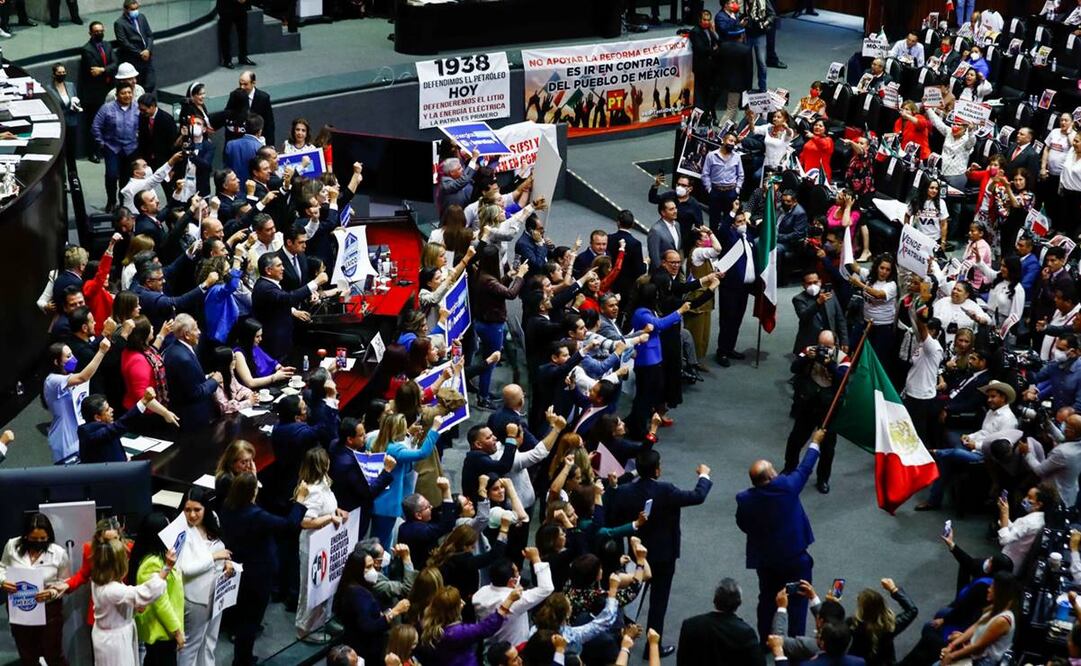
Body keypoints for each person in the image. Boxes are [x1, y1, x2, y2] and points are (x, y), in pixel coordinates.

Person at [609, 450, 713, 656]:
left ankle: (620, 638)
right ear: (657, 470)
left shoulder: (624, 492)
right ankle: (652, 647)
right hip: (664, 555)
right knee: (659, 602)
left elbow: (614, 519)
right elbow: (698, 496)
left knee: (631, 597)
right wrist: (704, 475)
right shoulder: (666, 490)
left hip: (637, 553)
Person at [737, 428, 825, 644]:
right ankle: (795, 643)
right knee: (798, 602)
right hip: (795, 559)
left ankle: (767, 640)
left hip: (766, 560)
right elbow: (805, 468)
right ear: (770, 477)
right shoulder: (786, 487)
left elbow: (742, 524)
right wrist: (815, 442)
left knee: (767, 599)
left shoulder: (745, 499)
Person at [219, 472, 306, 666]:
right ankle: (243, 660)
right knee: (251, 619)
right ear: (253, 492)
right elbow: (289, 526)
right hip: (258, 574)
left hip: (239, 568)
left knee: (243, 616)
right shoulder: (256, 516)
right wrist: (300, 500)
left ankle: (242, 657)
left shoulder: (228, 507)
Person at [0, 513, 71, 666]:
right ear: (26, 536)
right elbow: (2, 567)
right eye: (33, 539)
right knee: (27, 655)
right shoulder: (12, 546)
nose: (38, 542)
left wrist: (52, 592)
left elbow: (64, 582)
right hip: (20, 608)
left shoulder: (58, 553)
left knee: (53, 655)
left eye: (42, 539)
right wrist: (2, 581)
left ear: (48, 536)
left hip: (49, 610)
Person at [91, 538, 174, 666]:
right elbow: (146, 592)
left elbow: (117, 605)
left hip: (107, 637)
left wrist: (133, 607)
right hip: (115, 643)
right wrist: (167, 567)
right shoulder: (112, 589)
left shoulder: (99, 581)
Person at [176, 486, 232, 666]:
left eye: (197, 509)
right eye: (187, 510)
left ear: (205, 509)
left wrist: (226, 562)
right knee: (191, 645)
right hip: (195, 597)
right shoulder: (181, 531)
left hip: (217, 591)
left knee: (210, 640)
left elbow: (221, 547)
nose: (192, 515)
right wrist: (214, 557)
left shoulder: (213, 519)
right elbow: (186, 568)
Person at [785, 332, 846, 493]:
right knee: (796, 439)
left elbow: (843, 379)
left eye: (827, 347)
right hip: (809, 402)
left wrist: (830, 364)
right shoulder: (809, 350)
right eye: (821, 345)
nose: (822, 349)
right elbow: (794, 368)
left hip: (829, 407)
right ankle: (789, 468)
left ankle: (823, 479)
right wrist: (807, 358)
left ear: (835, 345)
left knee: (827, 447)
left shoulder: (843, 358)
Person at [251, 252, 329, 361]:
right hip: (273, 344)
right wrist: (315, 283)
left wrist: (293, 310)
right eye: (279, 266)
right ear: (268, 270)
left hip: (282, 341)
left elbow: (279, 303)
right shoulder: (265, 287)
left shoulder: (271, 284)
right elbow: (288, 298)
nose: (283, 268)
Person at [130, 513, 185, 664]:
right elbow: (161, 603)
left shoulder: (162, 557)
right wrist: (177, 631)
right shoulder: (152, 563)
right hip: (160, 631)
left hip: (165, 630)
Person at [676, 577, 765, 665]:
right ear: (739, 603)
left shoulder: (690, 625)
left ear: (715, 600)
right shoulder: (746, 633)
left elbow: (682, 660)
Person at [936, 571, 1019, 665]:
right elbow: (976, 626)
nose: (988, 589)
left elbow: (978, 647)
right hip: (973, 652)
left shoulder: (1002, 620)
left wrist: (951, 656)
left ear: (1000, 592)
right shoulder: (994, 608)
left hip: (981, 662)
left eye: (992, 587)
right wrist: (951, 646)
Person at [163, 314, 220, 430]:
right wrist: (214, 381)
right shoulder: (183, 359)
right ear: (187, 335)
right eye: (195, 329)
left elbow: (186, 382)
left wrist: (206, 377)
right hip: (191, 418)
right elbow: (195, 393)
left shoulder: (173, 349)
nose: (199, 332)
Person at [846, 578, 918, 665]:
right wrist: (894, 589)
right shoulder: (891, 626)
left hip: (858, 660)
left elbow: (835, 630)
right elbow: (912, 610)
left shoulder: (853, 623)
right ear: (883, 606)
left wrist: (833, 603)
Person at [93, 82, 139, 212]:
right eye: (123, 93)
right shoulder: (106, 108)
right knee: (111, 175)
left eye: (129, 93)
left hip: (131, 148)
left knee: (126, 177)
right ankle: (111, 201)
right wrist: (101, 142)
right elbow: (96, 126)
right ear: (117, 95)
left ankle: (123, 203)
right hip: (112, 147)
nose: (127, 95)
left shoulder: (137, 108)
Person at [79, 22, 120, 163]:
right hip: (94, 93)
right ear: (90, 33)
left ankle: (107, 149)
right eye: (96, 31)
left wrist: (103, 70)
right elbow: (93, 70)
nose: (99, 33)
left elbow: (115, 64)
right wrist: (107, 69)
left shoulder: (107, 45)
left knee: (110, 121)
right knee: (94, 123)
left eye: (101, 31)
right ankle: (93, 152)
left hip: (109, 88)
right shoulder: (86, 49)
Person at [792, 272, 847, 353]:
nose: (813, 285)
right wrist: (818, 303)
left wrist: (844, 340)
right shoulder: (799, 299)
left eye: (815, 282)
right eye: (809, 283)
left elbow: (840, 319)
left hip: (830, 342)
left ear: (820, 281)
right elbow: (804, 316)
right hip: (809, 344)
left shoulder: (830, 294)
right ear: (803, 285)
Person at [701, 131, 744, 224]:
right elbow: (705, 174)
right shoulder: (711, 155)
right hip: (715, 191)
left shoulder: (737, 157)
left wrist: (737, 189)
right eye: (730, 140)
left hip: (731, 192)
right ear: (724, 140)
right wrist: (709, 189)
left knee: (729, 220)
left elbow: (740, 175)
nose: (732, 144)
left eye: (734, 142)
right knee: (714, 219)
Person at [113, 0, 155, 92]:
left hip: (147, 57)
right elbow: (124, 43)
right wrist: (140, 53)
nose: (135, 11)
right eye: (132, 9)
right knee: (137, 87)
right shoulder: (119, 23)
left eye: (137, 8)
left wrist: (148, 50)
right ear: (125, 9)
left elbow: (149, 35)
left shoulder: (141, 17)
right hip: (134, 60)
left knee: (150, 84)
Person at [224, 71, 275, 145]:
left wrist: (270, 145)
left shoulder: (263, 98)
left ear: (253, 83)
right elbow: (227, 117)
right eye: (240, 84)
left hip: (257, 141)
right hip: (238, 140)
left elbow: (269, 123)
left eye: (245, 84)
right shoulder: (234, 95)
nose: (242, 87)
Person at [217, 0, 254, 69]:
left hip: (241, 7)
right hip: (226, 7)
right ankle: (227, 60)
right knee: (225, 34)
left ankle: (243, 57)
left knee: (243, 32)